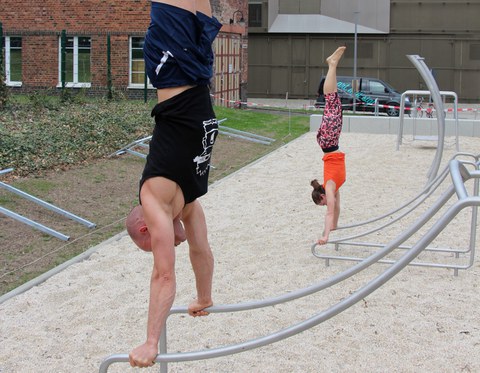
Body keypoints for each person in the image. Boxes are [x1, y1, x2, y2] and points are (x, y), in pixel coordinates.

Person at [127, 0, 222, 368]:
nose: (169, 245)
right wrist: (204, 297)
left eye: (152, 243)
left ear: (146, 227)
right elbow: (202, 251)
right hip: (194, 74)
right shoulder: (187, 205)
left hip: (176, 72)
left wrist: (151, 342)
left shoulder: (154, 196)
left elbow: (164, 274)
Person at [311, 46, 347, 246]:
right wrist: (334, 225)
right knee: (333, 102)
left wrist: (325, 235)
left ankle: (332, 64)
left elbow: (330, 211)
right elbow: (337, 209)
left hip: (329, 141)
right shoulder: (334, 188)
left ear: (323, 195)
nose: (325, 204)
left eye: (321, 201)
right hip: (329, 142)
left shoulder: (331, 186)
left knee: (331, 100)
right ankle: (332, 65)